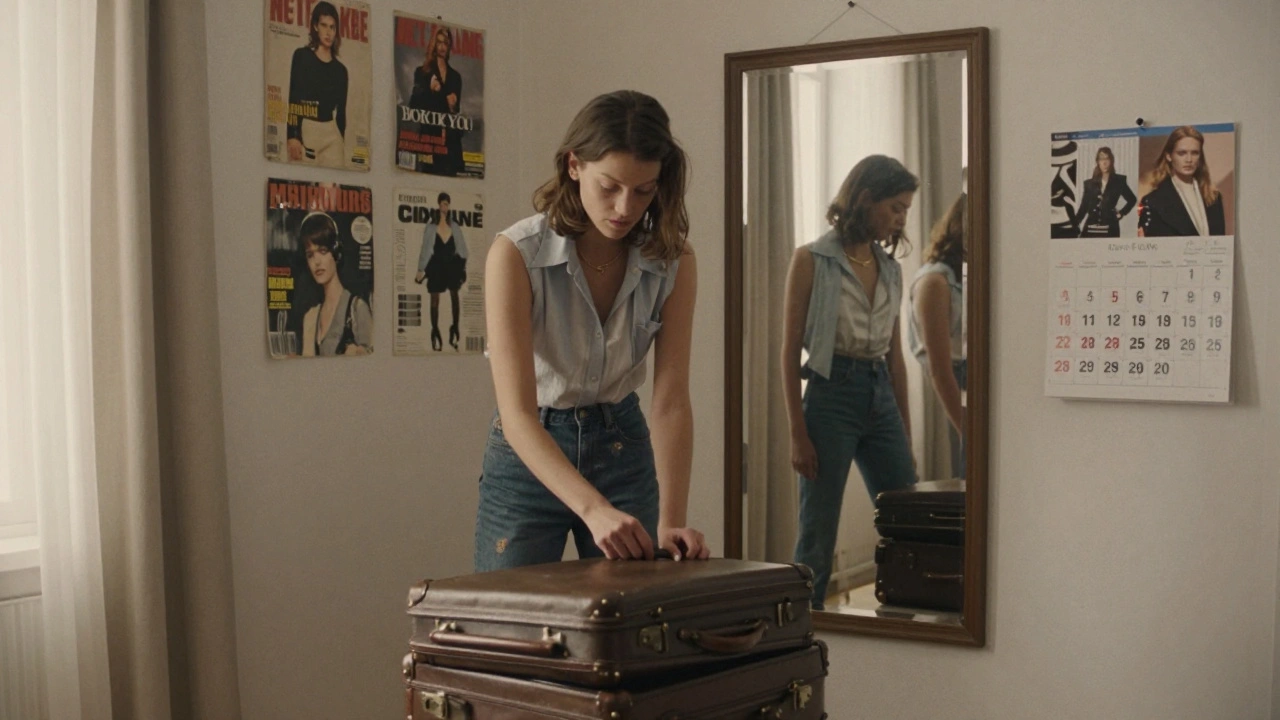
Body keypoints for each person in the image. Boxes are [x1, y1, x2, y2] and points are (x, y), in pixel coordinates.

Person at [474, 90, 709, 571]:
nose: (626, 207)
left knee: (632, 627)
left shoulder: (674, 262)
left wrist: (671, 521)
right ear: (574, 165)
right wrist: (593, 509)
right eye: (610, 186)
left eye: (644, 190)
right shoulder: (515, 255)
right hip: (530, 450)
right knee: (508, 626)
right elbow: (517, 415)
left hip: (622, 442)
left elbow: (671, 399)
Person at [781, 154, 919, 609]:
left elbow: (895, 357)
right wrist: (797, 433)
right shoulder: (811, 260)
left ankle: (902, 614)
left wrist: (905, 428)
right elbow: (786, 352)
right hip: (830, 395)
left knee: (906, 513)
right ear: (865, 199)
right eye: (895, 207)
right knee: (818, 530)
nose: (901, 219)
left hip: (879, 392)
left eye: (906, 210)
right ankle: (806, 625)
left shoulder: (892, 270)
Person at [908, 193, 967, 479]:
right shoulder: (935, 282)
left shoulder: (967, 277)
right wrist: (966, 430)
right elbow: (940, 370)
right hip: (959, 386)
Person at [297, 213, 372, 356]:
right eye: (310, 255)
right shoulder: (310, 317)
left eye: (323, 251)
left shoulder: (358, 309)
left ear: (336, 253)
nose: (316, 262)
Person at [286, 1, 349, 167]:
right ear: (315, 26)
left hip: (331, 133)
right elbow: (294, 98)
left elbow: (341, 113)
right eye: (324, 25)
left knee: (334, 189)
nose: (328, 32)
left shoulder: (341, 70)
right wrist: (293, 135)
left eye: (332, 27)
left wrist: (341, 139)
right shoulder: (302, 57)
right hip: (307, 130)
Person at [1138, 126, 1226, 237]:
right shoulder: (1153, 202)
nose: (1189, 160)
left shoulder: (1214, 198)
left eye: (1194, 153)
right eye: (1182, 153)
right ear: (1169, 156)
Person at [415, 193, 468, 351]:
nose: (444, 207)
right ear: (439, 205)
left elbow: (463, 249)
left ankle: (455, 327)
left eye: (446, 204)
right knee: (434, 299)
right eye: (442, 204)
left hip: (452, 265)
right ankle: (435, 330)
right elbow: (425, 249)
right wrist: (420, 269)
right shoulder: (432, 227)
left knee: (454, 296)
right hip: (436, 265)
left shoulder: (455, 226)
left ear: (449, 205)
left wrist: (461, 266)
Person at [409, 26, 464, 175]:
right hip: (429, 142)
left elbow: (455, 109)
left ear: (449, 45)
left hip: (450, 145)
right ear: (433, 44)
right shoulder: (422, 72)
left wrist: (453, 106)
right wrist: (430, 90)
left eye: (445, 43)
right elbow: (413, 105)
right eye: (439, 42)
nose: (442, 47)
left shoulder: (455, 77)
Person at [1072, 146, 1136, 238]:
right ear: (1098, 161)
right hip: (1091, 227)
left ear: (1111, 161)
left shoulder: (1119, 181)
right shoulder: (1089, 184)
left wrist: (1121, 213)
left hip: (1110, 227)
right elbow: (1084, 207)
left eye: (1107, 159)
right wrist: (1074, 225)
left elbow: (1132, 199)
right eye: (1101, 159)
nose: (1104, 162)